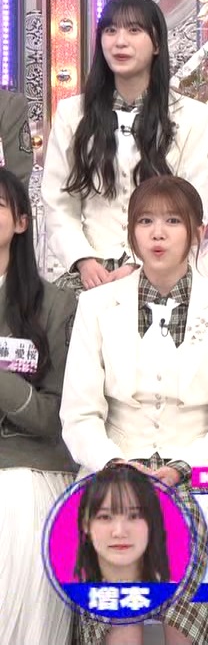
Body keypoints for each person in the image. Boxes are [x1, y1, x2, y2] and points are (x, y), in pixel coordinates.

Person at [61, 175, 208, 645]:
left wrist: (181, 468)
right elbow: (79, 415)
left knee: (189, 528)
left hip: (198, 472)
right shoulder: (96, 305)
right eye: (145, 221)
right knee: (114, 530)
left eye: (172, 221)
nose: (158, 233)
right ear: (131, 233)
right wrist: (114, 463)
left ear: (196, 232)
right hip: (115, 468)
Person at [42, 0, 208, 293]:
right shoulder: (72, 114)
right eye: (110, 30)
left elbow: (192, 203)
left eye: (134, 30)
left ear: (157, 44)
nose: (120, 42)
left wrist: (138, 263)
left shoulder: (194, 116)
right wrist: (83, 259)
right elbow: (58, 201)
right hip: (90, 272)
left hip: (161, 268)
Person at [0, 166, 78, 644]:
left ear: (22, 222)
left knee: (14, 507)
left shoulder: (55, 305)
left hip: (29, 466)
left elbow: (56, 418)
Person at [72, 463, 171, 584]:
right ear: (86, 524)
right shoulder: (68, 592)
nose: (120, 532)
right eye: (105, 517)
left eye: (134, 516)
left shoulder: (179, 592)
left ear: (152, 522)